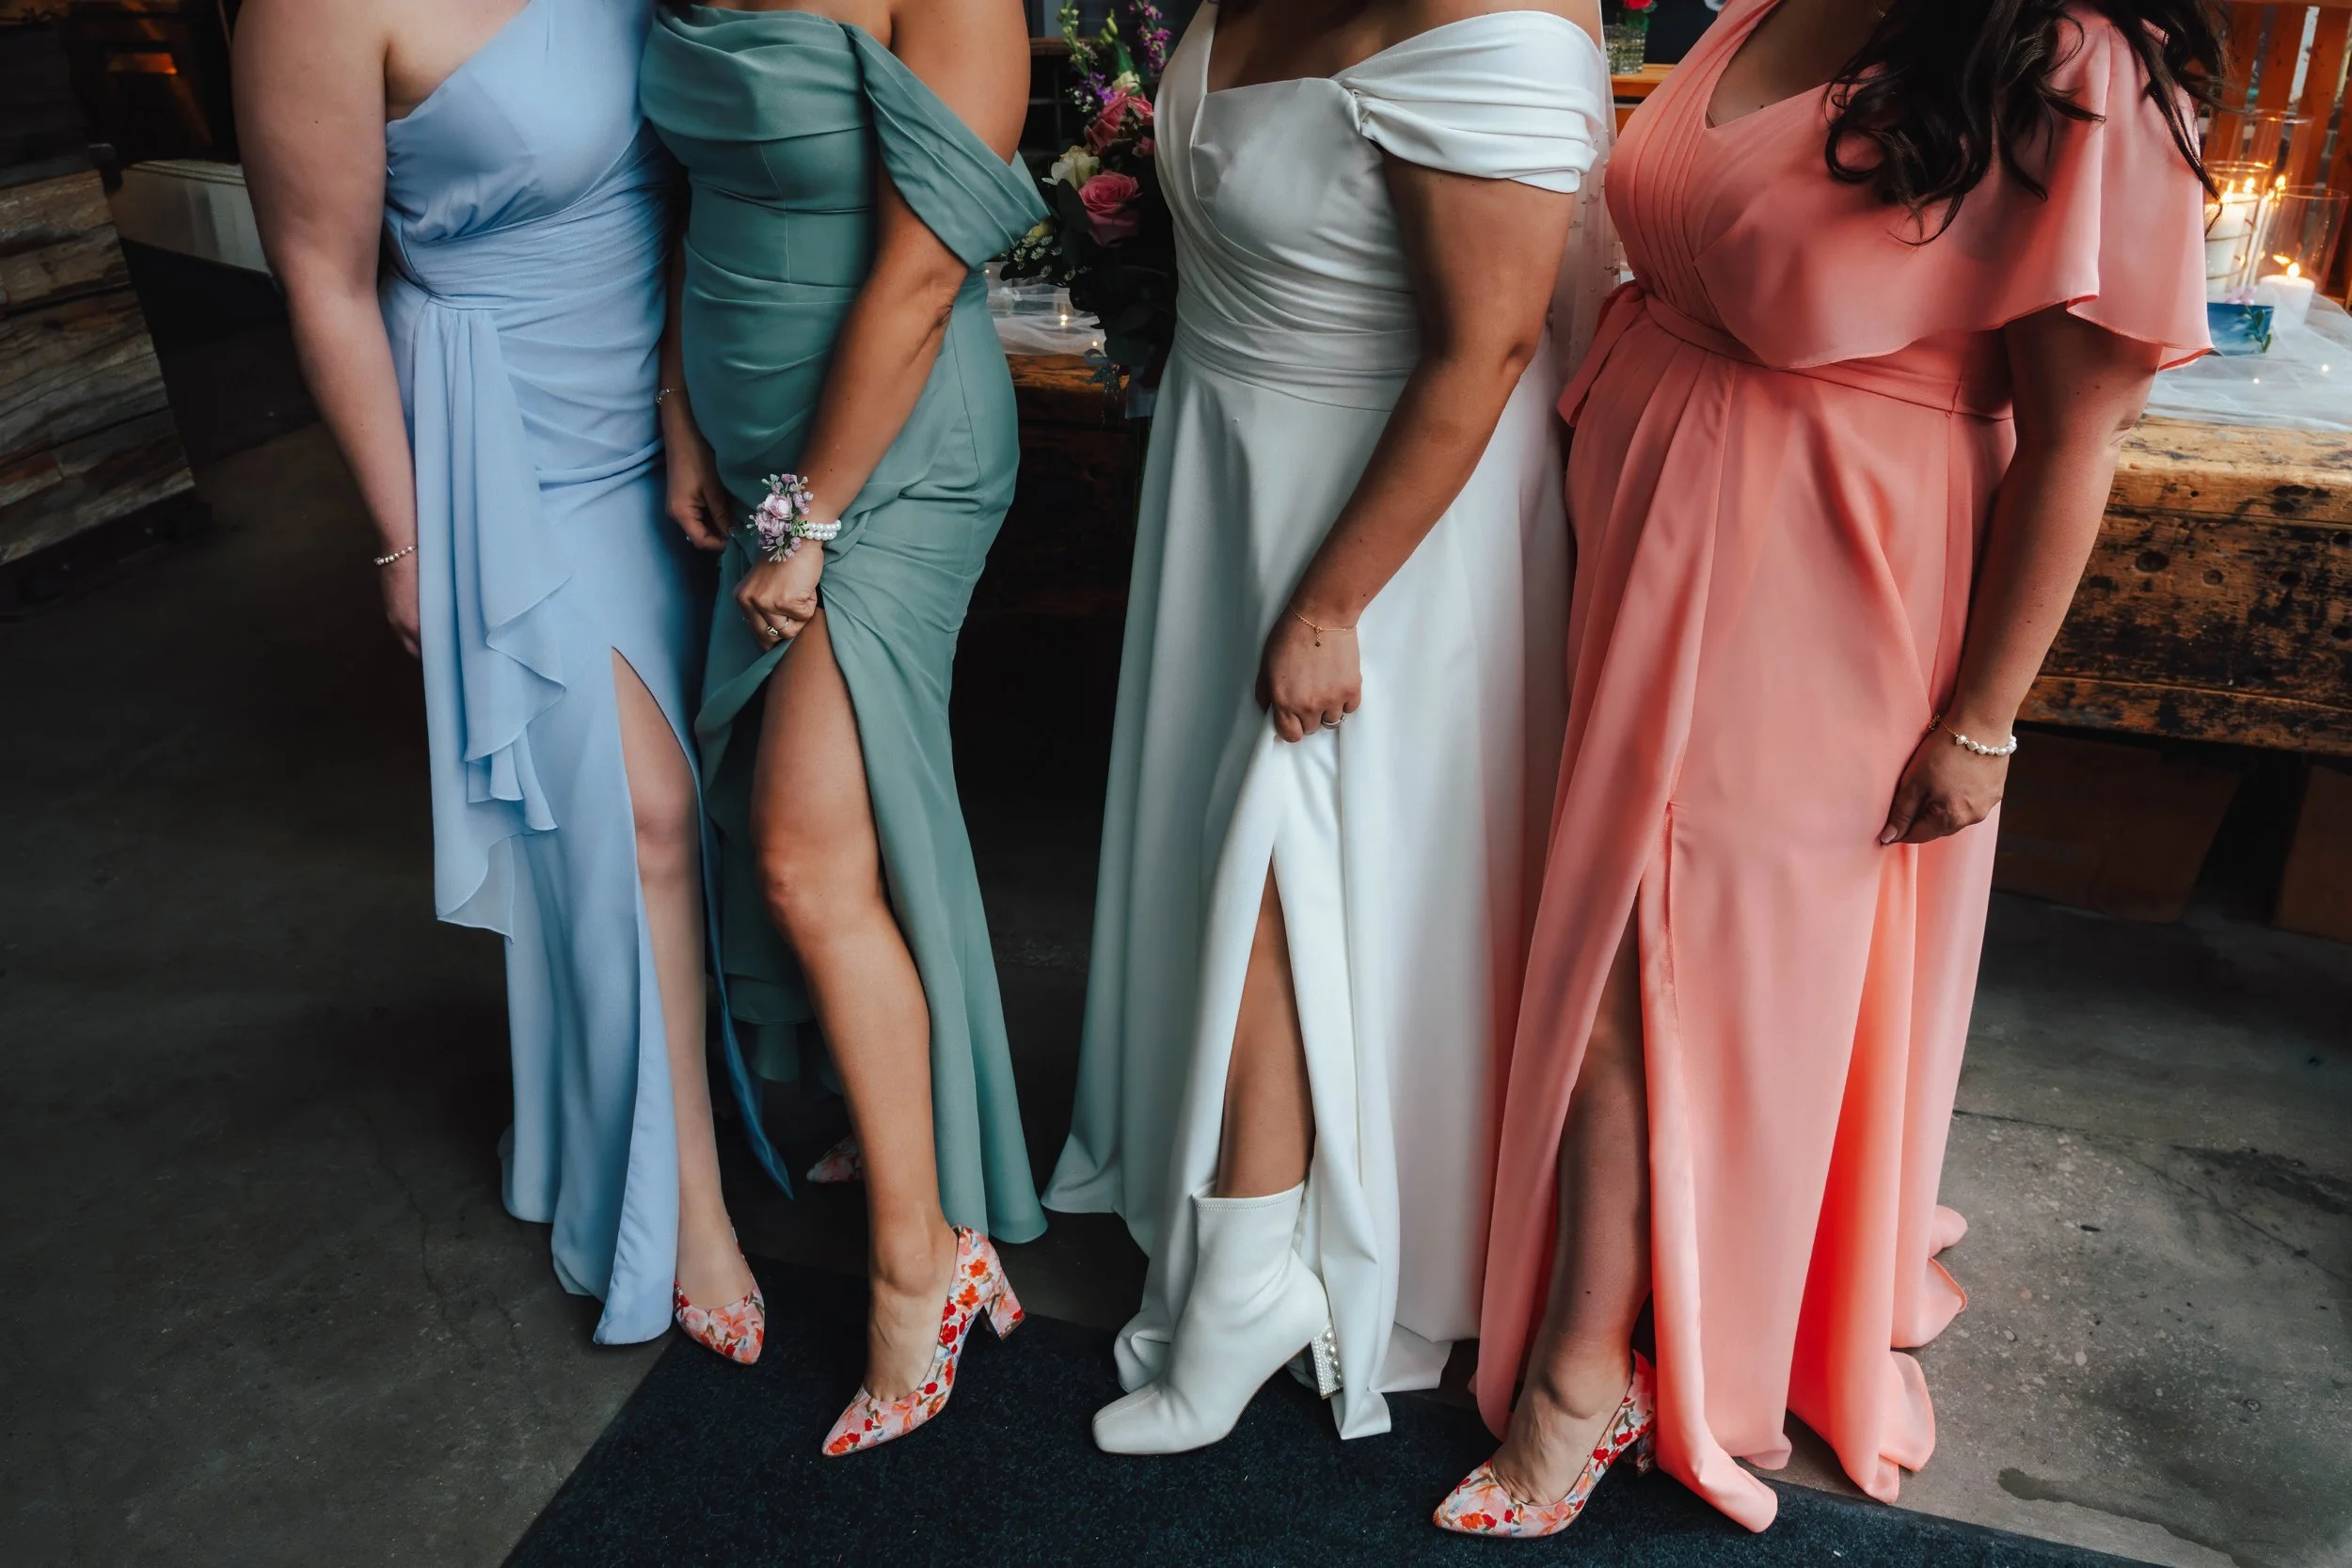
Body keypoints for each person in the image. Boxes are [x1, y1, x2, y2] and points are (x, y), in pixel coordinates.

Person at [1443, 0, 2217, 1536]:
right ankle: (1678, 1280)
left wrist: (1984, 715)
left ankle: (1582, 1379)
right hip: (1645, 517)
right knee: (1643, 927)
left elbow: (2079, 437)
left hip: (1824, 559)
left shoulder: (2067, 63)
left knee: (1651, 951)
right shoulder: (1769, 4)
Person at [1044, 0, 1615, 1451]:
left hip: (1390, 517)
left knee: (1284, 870)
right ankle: (1248, 1243)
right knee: (1235, 861)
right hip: (1231, 466)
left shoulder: (1491, 22)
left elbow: (1487, 347)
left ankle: (1257, 1276)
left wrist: (1332, 600)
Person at [235, 0, 763, 1356]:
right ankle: (678, 1206)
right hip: (503, 447)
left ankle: (623, 1098)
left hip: (659, 410)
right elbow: (324, 277)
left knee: (680, 805)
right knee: (639, 816)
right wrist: (406, 537)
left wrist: (681, 399)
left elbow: (685, 170)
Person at [638, 0, 1046, 1454]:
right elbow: (690, 194)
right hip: (755, 447)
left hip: (891, 458)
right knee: (793, 831)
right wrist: (688, 417)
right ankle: (892, 1140)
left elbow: (927, 271)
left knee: (808, 860)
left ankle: (919, 1268)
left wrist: (803, 517)